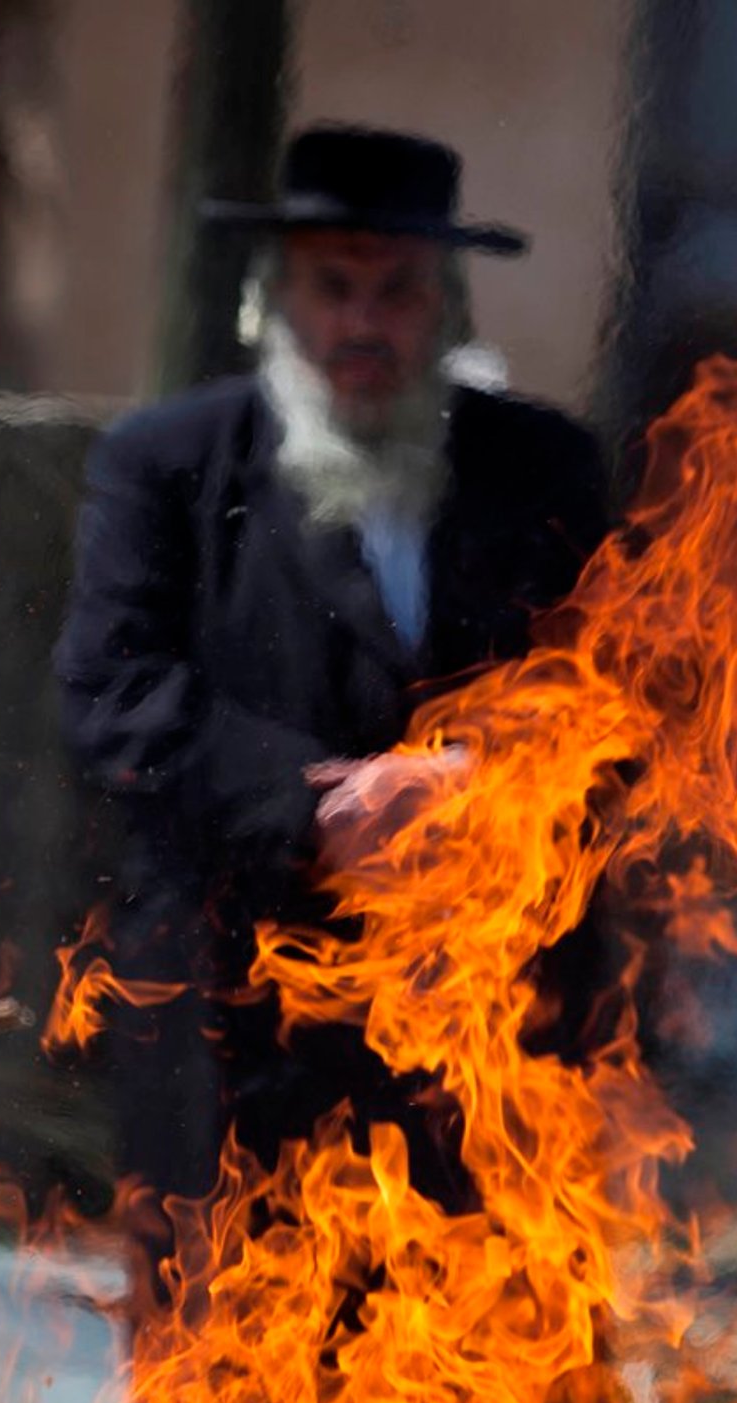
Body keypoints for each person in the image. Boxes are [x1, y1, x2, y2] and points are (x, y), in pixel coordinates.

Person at [55, 125, 609, 1280]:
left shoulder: (546, 469)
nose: (365, 324)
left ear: (448, 307)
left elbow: (625, 691)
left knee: (484, 1390)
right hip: (237, 1026)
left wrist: (485, 785)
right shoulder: (167, 464)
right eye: (334, 287)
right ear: (274, 301)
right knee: (231, 1402)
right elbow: (115, 690)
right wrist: (321, 807)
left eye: (398, 290)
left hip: (481, 1032)